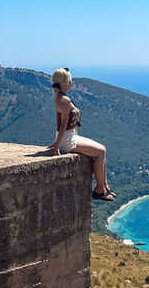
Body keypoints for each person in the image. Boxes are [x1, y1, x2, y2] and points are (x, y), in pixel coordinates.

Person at [47, 67, 116, 201]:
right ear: (66, 83)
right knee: (100, 152)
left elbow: (62, 125)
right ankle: (99, 190)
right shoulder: (65, 100)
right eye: (70, 80)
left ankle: (104, 185)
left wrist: (57, 141)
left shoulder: (59, 97)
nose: (72, 82)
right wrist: (57, 147)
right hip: (68, 139)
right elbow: (63, 125)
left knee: (103, 149)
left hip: (69, 136)